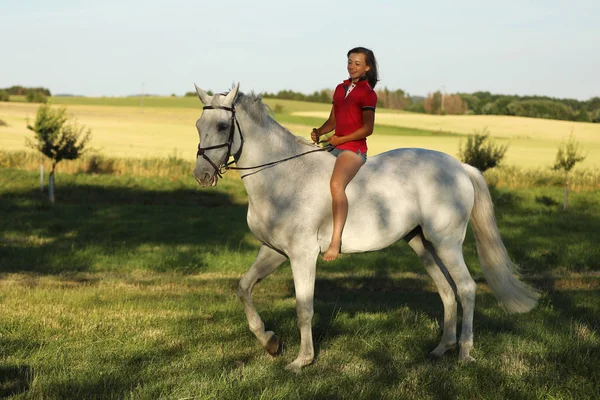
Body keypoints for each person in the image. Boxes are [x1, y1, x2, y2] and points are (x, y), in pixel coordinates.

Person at [311, 46, 379, 261]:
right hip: (335, 146)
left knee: (336, 185)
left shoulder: (368, 93)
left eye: (357, 63)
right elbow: (333, 121)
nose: (352, 66)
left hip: (354, 149)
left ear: (367, 68)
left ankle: (335, 241)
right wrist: (319, 131)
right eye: (350, 62)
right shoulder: (340, 89)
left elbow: (368, 129)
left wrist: (341, 140)